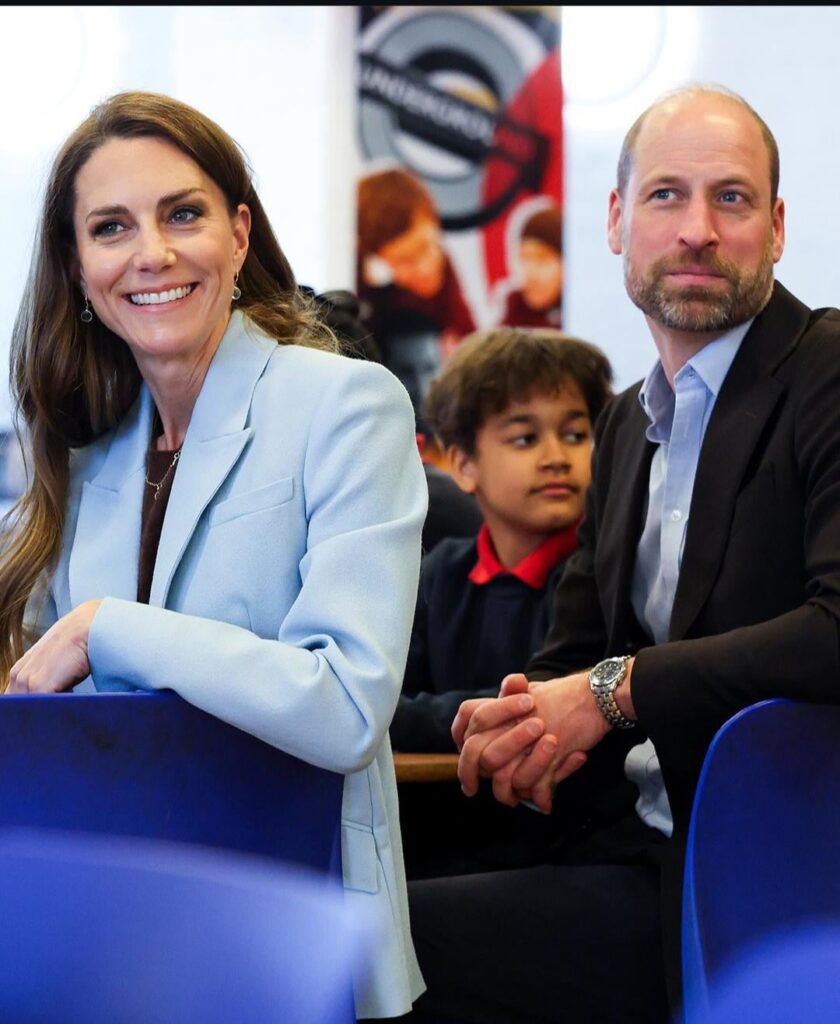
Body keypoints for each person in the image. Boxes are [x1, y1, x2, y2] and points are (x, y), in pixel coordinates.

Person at [406, 83, 840, 1024]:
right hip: (627, 841)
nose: (697, 230)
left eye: (730, 199)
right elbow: (572, 652)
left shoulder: (826, 371)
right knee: (372, 906)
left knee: (386, 952)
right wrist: (522, 720)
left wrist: (616, 691)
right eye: (665, 197)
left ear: (776, 226)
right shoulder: (621, 425)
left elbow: (835, 627)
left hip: (771, 876)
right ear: (614, 220)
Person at [0, 90, 427, 1021]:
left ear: (238, 235)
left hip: (297, 927)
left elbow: (348, 705)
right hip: (118, 937)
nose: (151, 253)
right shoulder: (88, 446)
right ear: (77, 269)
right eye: (111, 228)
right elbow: (42, 697)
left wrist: (113, 629)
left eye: (182, 213)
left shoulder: (347, 405)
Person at [391, 327, 613, 880]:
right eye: (524, 438)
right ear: (463, 465)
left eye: (576, 434)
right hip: (443, 839)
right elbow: (386, 707)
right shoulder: (442, 572)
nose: (557, 457)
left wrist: (451, 713)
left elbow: (577, 701)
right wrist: (494, 710)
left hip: (563, 852)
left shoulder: (605, 573)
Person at [356, 167, 476, 389]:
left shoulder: (443, 263)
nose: (424, 267)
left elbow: (468, 340)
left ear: (434, 221)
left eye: (425, 247)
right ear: (377, 261)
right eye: (405, 261)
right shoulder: (363, 287)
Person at [500, 202, 564, 329]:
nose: (530, 273)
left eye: (541, 259)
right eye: (524, 259)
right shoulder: (513, 314)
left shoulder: (582, 315)